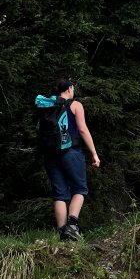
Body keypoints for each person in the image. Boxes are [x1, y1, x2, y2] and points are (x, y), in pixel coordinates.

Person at [37, 78, 100, 241]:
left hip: (50, 155)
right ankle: (72, 227)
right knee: (79, 189)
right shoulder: (75, 105)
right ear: (69, 88)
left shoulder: (47, 106)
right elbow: (83, 130)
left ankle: (62, 234)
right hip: (71, 152)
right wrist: (94, 153)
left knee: (60, 194)